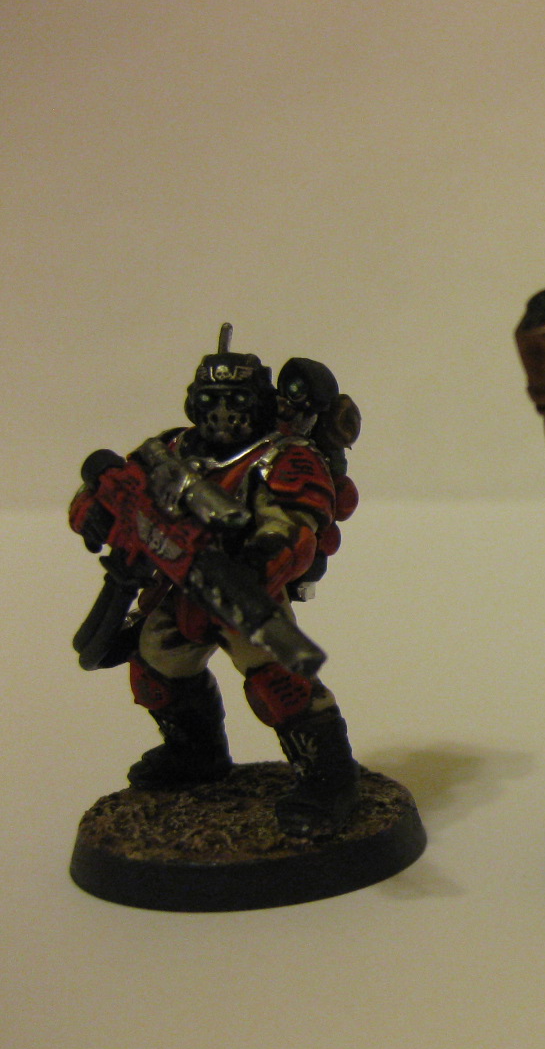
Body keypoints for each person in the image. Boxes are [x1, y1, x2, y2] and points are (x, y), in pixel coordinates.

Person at [69, 345, 362, 836]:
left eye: (237, 401)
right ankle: (195, 754)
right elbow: (111, 484)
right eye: (212, 400)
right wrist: (95, 513)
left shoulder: (284, 456)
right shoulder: (171, 448)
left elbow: (297, 525)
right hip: (174, 586)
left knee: (281, 686)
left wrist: (257, 561)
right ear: (194, 402)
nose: (223, 413)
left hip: (241, 590)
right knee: (155, 666)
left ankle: (329, 780)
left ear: (260, 403)